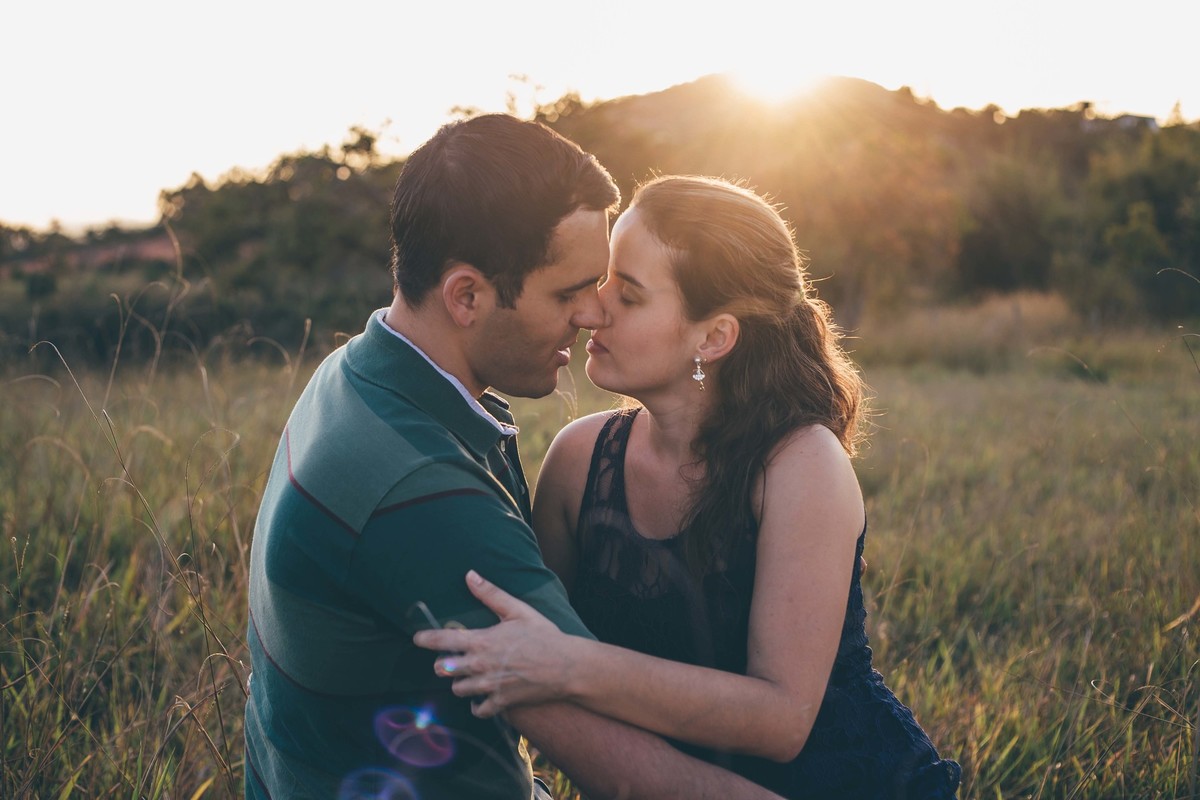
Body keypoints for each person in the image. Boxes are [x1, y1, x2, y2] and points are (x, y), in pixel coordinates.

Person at [244, 116, 785, 800]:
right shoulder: (423, 493)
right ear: (467, 295)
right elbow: (620, 767)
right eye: (568, 292)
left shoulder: (355, 375)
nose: (592, 314)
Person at [413, 175, 963, 798]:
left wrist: (571, 667)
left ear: (713, 337)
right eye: (602, 281)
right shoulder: (578, 459)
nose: (593, 309)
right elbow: (523, 647)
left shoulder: (802, 465)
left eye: (630, 294)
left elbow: (782, 720)